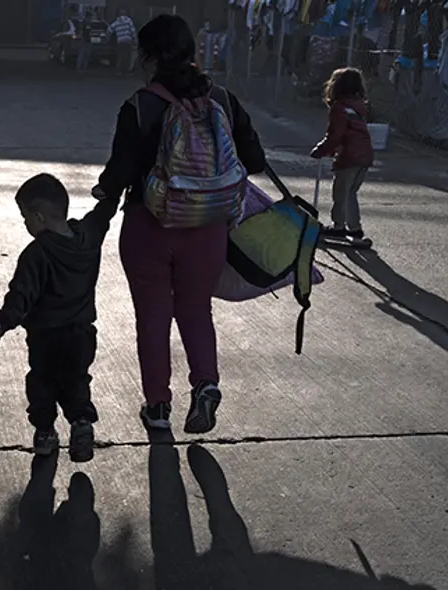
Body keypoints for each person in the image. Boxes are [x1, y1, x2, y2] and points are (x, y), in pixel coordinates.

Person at [93, 14, 266, 434]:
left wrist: (103, 194)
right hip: (208, 228)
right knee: (196, 308)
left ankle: (157, 407)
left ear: (149, 56)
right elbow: (255, 160)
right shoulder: (222, 100)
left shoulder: (139, 106)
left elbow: (120, 171)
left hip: (149, 225)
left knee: (153, 316)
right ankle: (206, 383)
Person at [0, 174, 119, 463]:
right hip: (81, 334)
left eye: (25, 217)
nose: (25, 224)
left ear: (38, 217)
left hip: (45, 337)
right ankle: (81, 425)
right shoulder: (88, 237)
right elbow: (102, 216)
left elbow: (21, 292)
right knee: (77, 381)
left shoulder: (36, 253)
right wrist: (112, 193)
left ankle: (45, 433)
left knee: (42, 383)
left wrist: (4, 323)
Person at [310, 67, 374, 241]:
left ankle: (339, 226)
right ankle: (355, 228)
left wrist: (321, 150)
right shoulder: (359, 106)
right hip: (364, 155)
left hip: (349, 156)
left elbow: (335, 135)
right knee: (351, 193)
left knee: (340, 194)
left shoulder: (339, 108)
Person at [109, 8, 137, 76]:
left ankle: (119, 71)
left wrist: (107, 37)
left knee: (120, 57)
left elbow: (109, 30)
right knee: (127, 57)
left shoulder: (116, 22)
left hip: (120, 41)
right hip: (127, 41)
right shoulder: (128, 20)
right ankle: (126, 72)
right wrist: (135, 39)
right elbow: (132, 31)